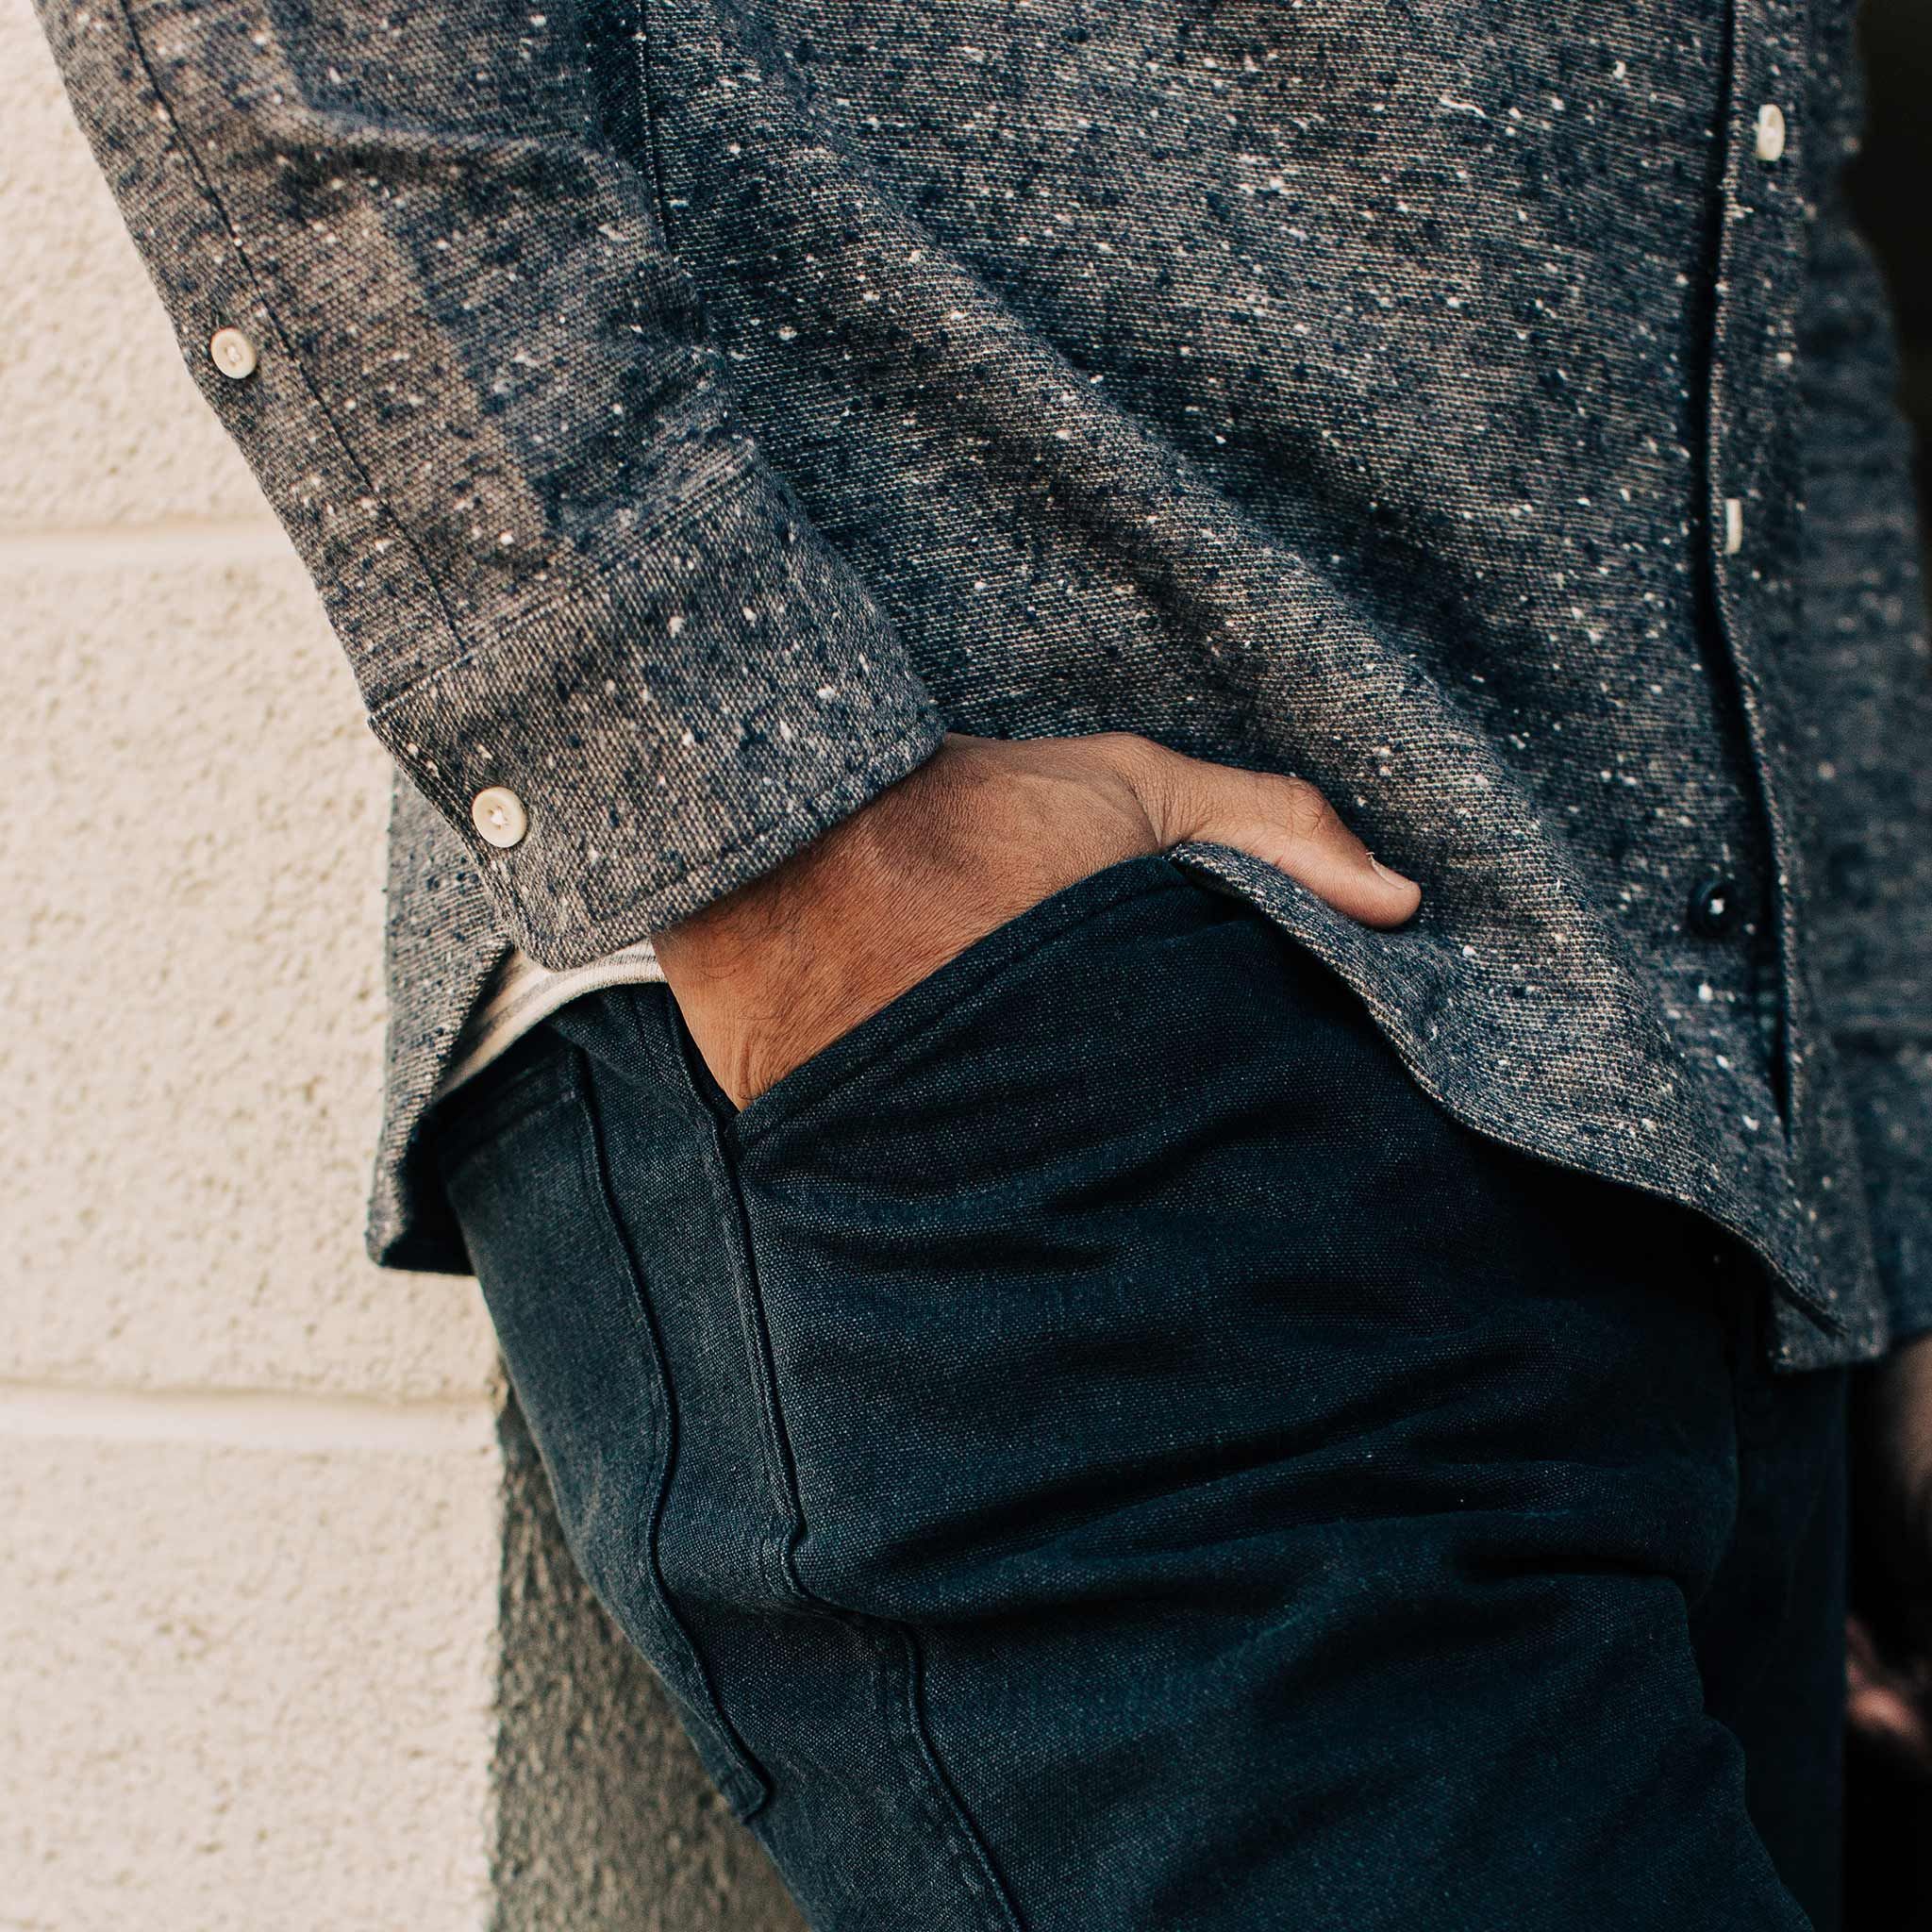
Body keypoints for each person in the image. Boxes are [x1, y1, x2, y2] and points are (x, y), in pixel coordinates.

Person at [36, 0, 1932, 1923]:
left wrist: (1883, 1193)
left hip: (1688, 1166)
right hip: (1091, 1061)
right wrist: (778, 839)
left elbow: (1779, 273)